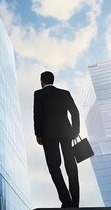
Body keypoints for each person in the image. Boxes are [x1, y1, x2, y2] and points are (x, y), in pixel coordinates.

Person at [33, 71, 80, 208]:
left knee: (54, 167)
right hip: (67, 134)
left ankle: (66, 201)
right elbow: (75, 112)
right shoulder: (64, 93)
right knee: (71, 167)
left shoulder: (38, 94)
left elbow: (37, 115)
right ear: (52, 80)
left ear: (42, 81)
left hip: (48, 136)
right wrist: (75, 131)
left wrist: (38, 134)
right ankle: (75, 203)